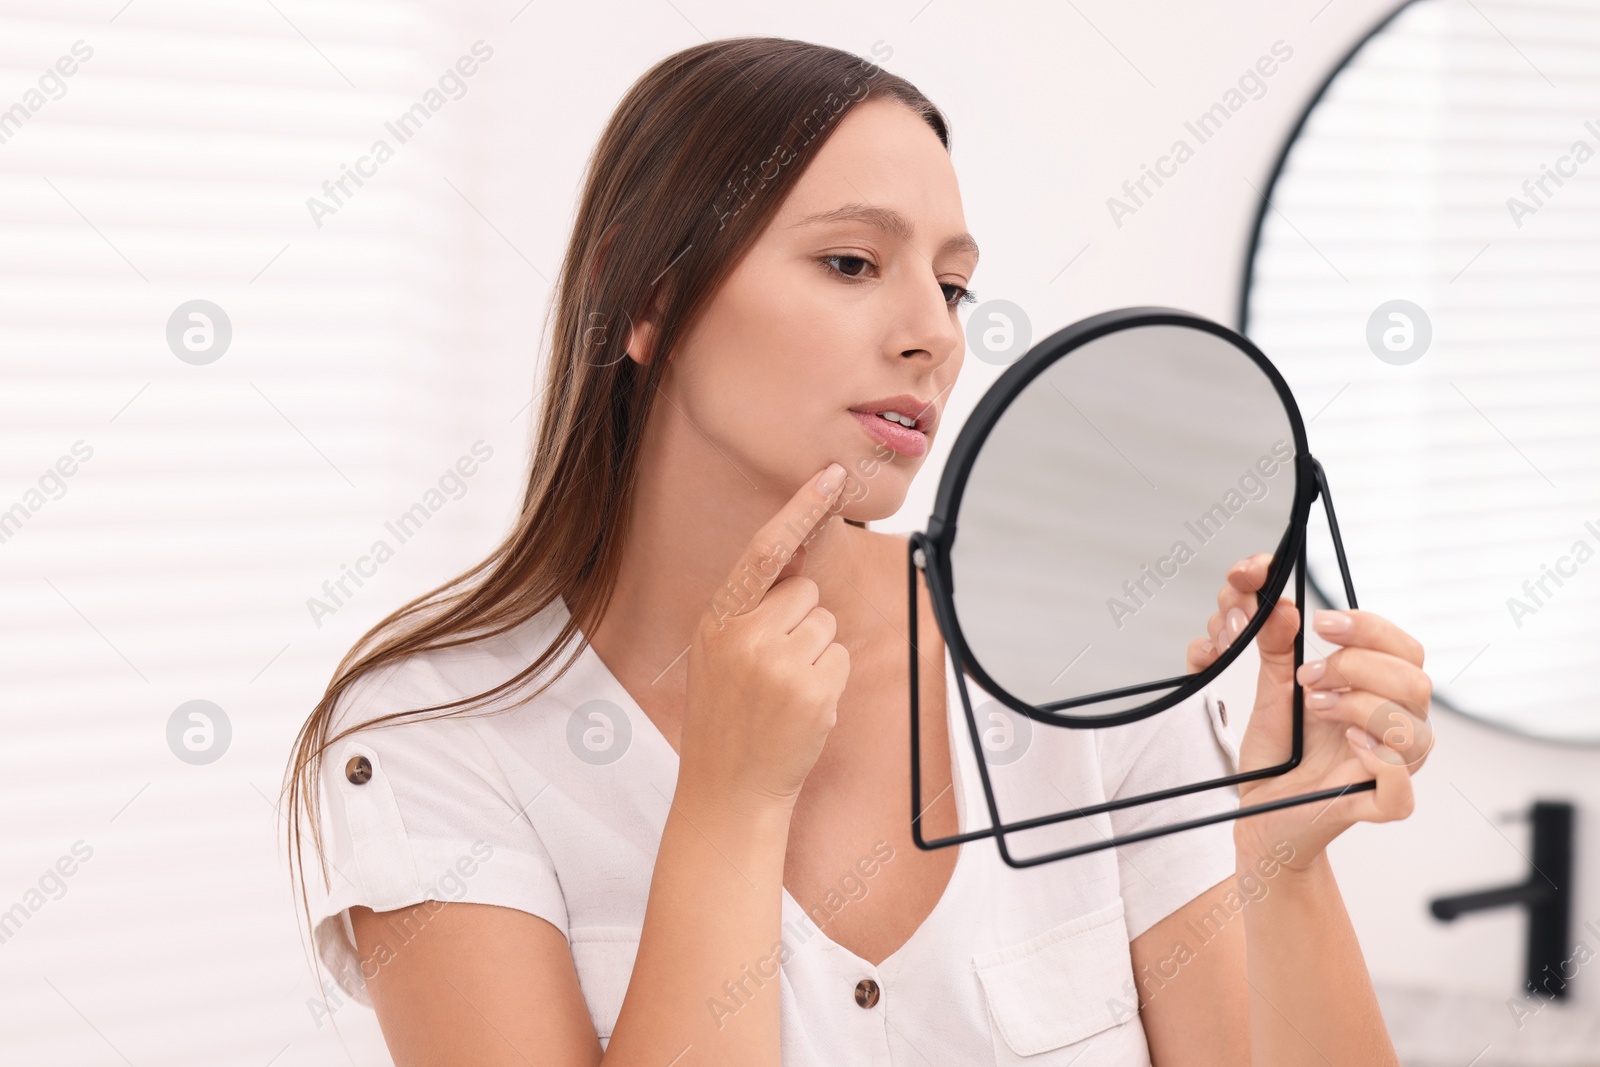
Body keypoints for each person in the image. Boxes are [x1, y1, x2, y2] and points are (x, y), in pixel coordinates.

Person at [281, 36, 1435, 1067]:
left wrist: (1278, 869)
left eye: (952, 285)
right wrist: (729, 807)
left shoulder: (1083, 667)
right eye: (850, 263)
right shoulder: (433, 745)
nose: (933, 332)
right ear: (644, 297)